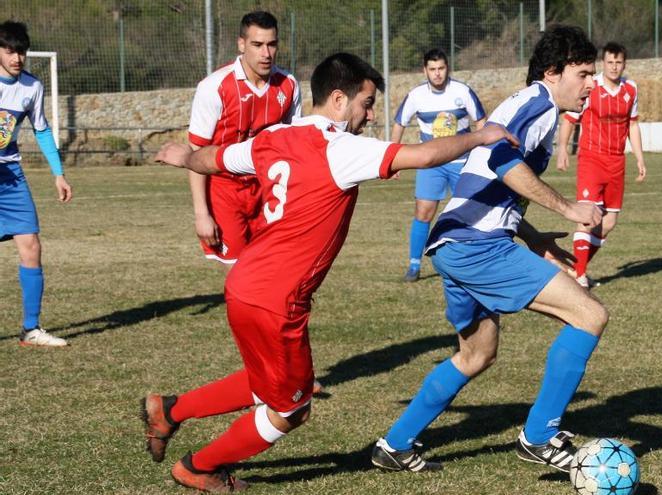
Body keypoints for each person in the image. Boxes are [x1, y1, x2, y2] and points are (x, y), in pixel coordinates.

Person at [145, 52, 517, 493]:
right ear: (339, 100)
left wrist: (186, 157)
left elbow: (217, 160)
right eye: (367, 102)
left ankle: (168, 410)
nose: (370, 114)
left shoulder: (275, 136)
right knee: (292, 409)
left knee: (269, 383)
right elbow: (426, 154)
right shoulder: (339, 147)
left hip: (244, 284)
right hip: (276, 300)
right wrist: (479, 135)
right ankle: (199, 466)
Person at [373, 25, 606, 474]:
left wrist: (532, 234)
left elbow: (492, 180)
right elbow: (502, 162)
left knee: (476, 354)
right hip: (479, 246)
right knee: (590, 315)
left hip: (454, 243)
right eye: (584, 73)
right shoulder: (539, 105)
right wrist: (567, 208)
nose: (591, 84)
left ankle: (395, 445)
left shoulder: (530, 106)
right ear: (554, 73)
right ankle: (539, 436)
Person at [187, 10, 301, 266]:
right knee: (240, 273)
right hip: (225, 191)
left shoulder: (289, 84)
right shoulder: (214, 87)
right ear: (241, 44)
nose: (266, 53)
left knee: (273, 266)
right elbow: (196, 154)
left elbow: (293, 146)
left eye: (272, 45)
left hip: (268, 189)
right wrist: (201, 214)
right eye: (257, 45)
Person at [0, 21, 72, 347]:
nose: (17, 58)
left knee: (31, 245)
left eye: (21, 51)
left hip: (11, 176)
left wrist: (58, 173)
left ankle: (31, 329)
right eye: (10, 51)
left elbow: (41, 131)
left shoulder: (31, 87)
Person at [556, 42, 646, 288]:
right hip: (591, 159)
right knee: (587, 218)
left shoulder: (631, 89)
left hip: (617, 161)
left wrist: (639, 156)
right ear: (603, 63)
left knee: (608, 223)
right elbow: (570, 119)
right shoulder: (590, 86)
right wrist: (562, 148)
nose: (614, 67)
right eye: (609, 62)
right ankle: (580, 276)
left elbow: (633, 125)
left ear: (624, 63)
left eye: (618, 62)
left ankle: (576, 270)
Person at [393, 48, 487, 282]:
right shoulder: (416, 95)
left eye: (441, 68)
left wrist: (482, 154)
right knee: (423, 212)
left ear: (448, 69)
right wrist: (392, 159)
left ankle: (476, 260)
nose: (437, 74)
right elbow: (399, 124)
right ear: (425, 70)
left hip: (461, 162)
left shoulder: (462, 92)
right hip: (430, 164)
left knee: (470, 212)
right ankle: (414, 265)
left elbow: (482, 122)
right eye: (432, 69)